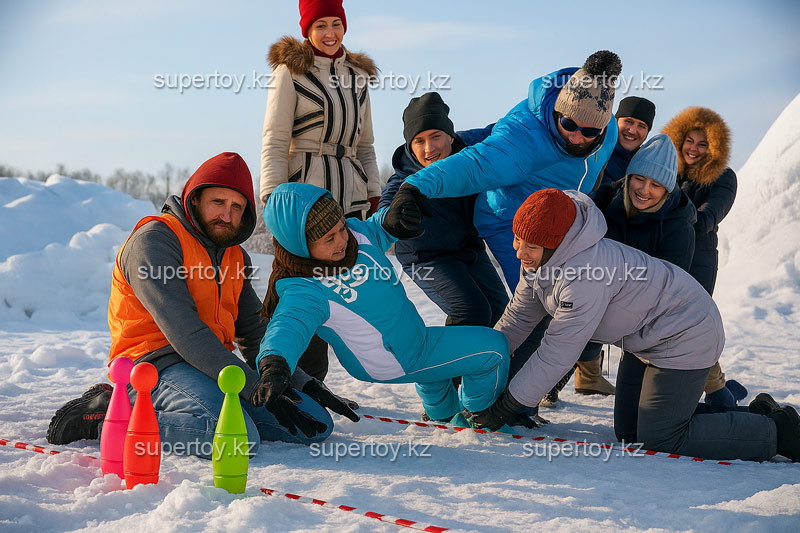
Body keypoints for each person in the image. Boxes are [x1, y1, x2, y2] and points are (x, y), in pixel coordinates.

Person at [47, 153, 348, 458]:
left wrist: (299, 381)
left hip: (210, 365)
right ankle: (109, 415)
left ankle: (206, 412)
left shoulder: (234, 256)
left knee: (316, 422)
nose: (227, 216)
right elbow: (185, 332)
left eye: (237, 208)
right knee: (237, 439)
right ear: (195, 199)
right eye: (218, 202)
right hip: (156, 365)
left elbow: (254, 330)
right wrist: (252, 385)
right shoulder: (155, 241)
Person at [466, 188, 799, 462]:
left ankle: (778, 432)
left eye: (531, 245)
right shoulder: (544, 259)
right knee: (630, 432)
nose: (518, 251)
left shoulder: (583, 276)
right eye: (517, 239)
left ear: (557, 243)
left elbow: (556, 353)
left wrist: (508, 405)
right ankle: (757, 417)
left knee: (662, 438)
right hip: (645, 341)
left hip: (687, 332)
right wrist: (481, 362)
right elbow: (518, 319)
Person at [254, 182, 510, 427]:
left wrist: (393, 218)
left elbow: (376, 228)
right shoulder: (303, 287)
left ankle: (443, 416)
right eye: (328, 238)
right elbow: (288, 325)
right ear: (299, 245)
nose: (341, 240)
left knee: (439, 359)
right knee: (494, 350)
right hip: (388, 357)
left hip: (410, 340)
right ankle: (484, 417)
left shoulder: (355, 235)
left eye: (340, 228)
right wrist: (274, 365)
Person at [396, 50, 622, 289]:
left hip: (560, 222)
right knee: (536, 298)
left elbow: (595, 170)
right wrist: (416, 187)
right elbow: (476, 165)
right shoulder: (524, 136)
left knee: (580, 295)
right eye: (568, 124)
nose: (577, 137)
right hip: (510, 221)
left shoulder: (609, 131)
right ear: (557, 111)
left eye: (589, 132)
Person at [259, 0, 381, 382]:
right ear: (306, 30)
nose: (329, 33)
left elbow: (366, 145)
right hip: (304, 196)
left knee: (347, 286)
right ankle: (289, 377)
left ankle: (331, 379)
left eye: (336, 24)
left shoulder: (358, 76)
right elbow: (275, 140)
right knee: (300, 286)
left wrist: (374, 193)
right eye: (320, 26)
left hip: (351, 195)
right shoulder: (289, 72)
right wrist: (273, 197)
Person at [379, 92, 508, 328]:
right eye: (419, 141)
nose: (429, 148)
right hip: (426, 259)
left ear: (450, 137)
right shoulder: (405, 181)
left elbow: (504, 132)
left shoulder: (469, 156)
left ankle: (496, 364)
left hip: (469, 250)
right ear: (410, 145)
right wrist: (390, 217)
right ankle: (457, 363)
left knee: (503, 314)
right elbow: (385, 209)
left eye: (435, 136)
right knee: (471, 311)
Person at [662, 107, 743, 408]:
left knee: (692, 326)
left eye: (703, 144)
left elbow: (709, 216)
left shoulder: (723, 177)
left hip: (699, 260)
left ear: (714, 148)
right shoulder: (666, 172)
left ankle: (720, 392)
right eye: (690, 142)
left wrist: (670, 214)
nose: (694, 149)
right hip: (665, 258)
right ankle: (716, 388)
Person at [600, 96, 657, 186]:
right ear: (616, 121)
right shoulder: (595, 150)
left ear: (647, 132)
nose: (632, 131)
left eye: (641, 126)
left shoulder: (648, 167)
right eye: (628, 121)